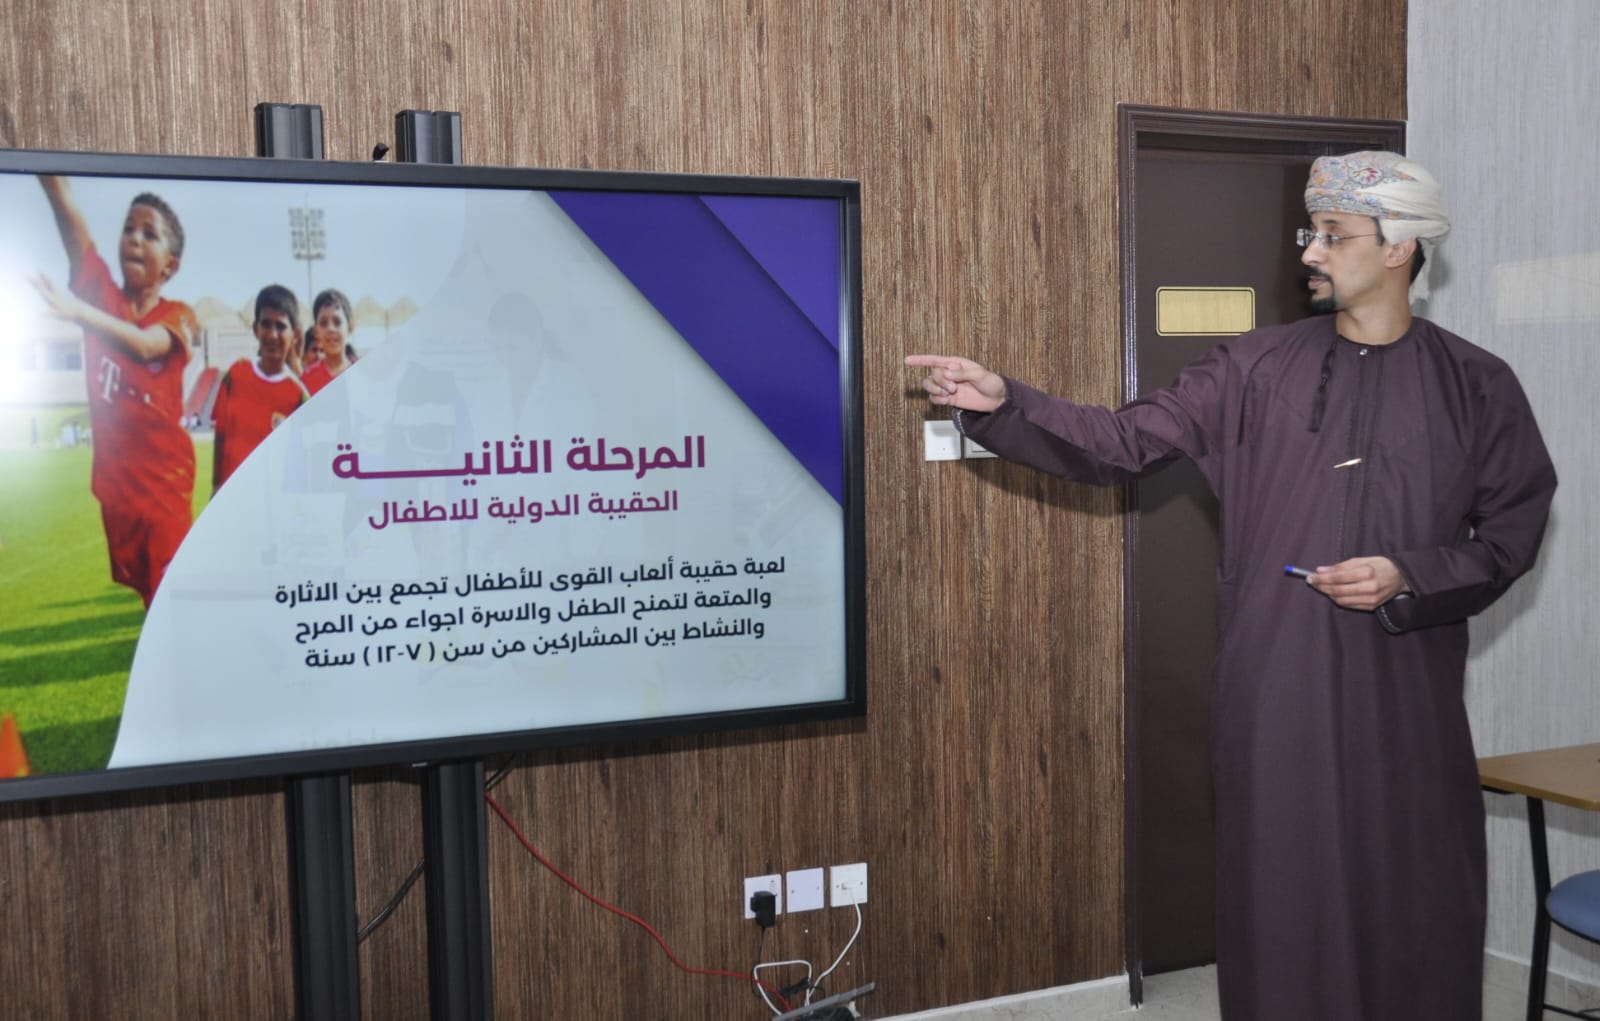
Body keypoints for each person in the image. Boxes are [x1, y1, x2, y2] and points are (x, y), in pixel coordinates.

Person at [907, 151, 1557, 1021]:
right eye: (1310, 232)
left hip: (1405, 699)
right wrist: (1002, 404)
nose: (1310, 253)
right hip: (1275, 693)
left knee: (1412, 891)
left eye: (1334, 235)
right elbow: (1122, 442)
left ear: (1400, 247)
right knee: (1283, 901)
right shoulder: (1254, 367)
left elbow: (1511, 535)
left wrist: (1412, 574)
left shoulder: (1476, 385)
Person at [34, 176, 199, 609]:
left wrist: (79, 312)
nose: (134, 239)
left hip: (164, 496)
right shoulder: (101, 294)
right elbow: (64, 202)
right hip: (118, 496)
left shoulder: (181, 316)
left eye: (150, 234)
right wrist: (45, 172)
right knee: (153, 606)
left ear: (170, 267)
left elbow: (144, 346)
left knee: (170, 611)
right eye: (128, 229)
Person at [211, 285, 310, 491]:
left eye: (281, 326)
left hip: (270, 504)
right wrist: (215, 487)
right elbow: (220, 437)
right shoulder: (235, 375)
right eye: (266, 324)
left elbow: (300, 463)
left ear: (295, 334)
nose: (272, 335)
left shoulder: (298, 396)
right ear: (255, 329)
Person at [299, 287, 357, 396]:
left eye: (337, 322)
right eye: (323, 323)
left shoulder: (363, 375)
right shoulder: (306, 381)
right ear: (316, 331)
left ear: (350, 326)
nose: (330, 329)